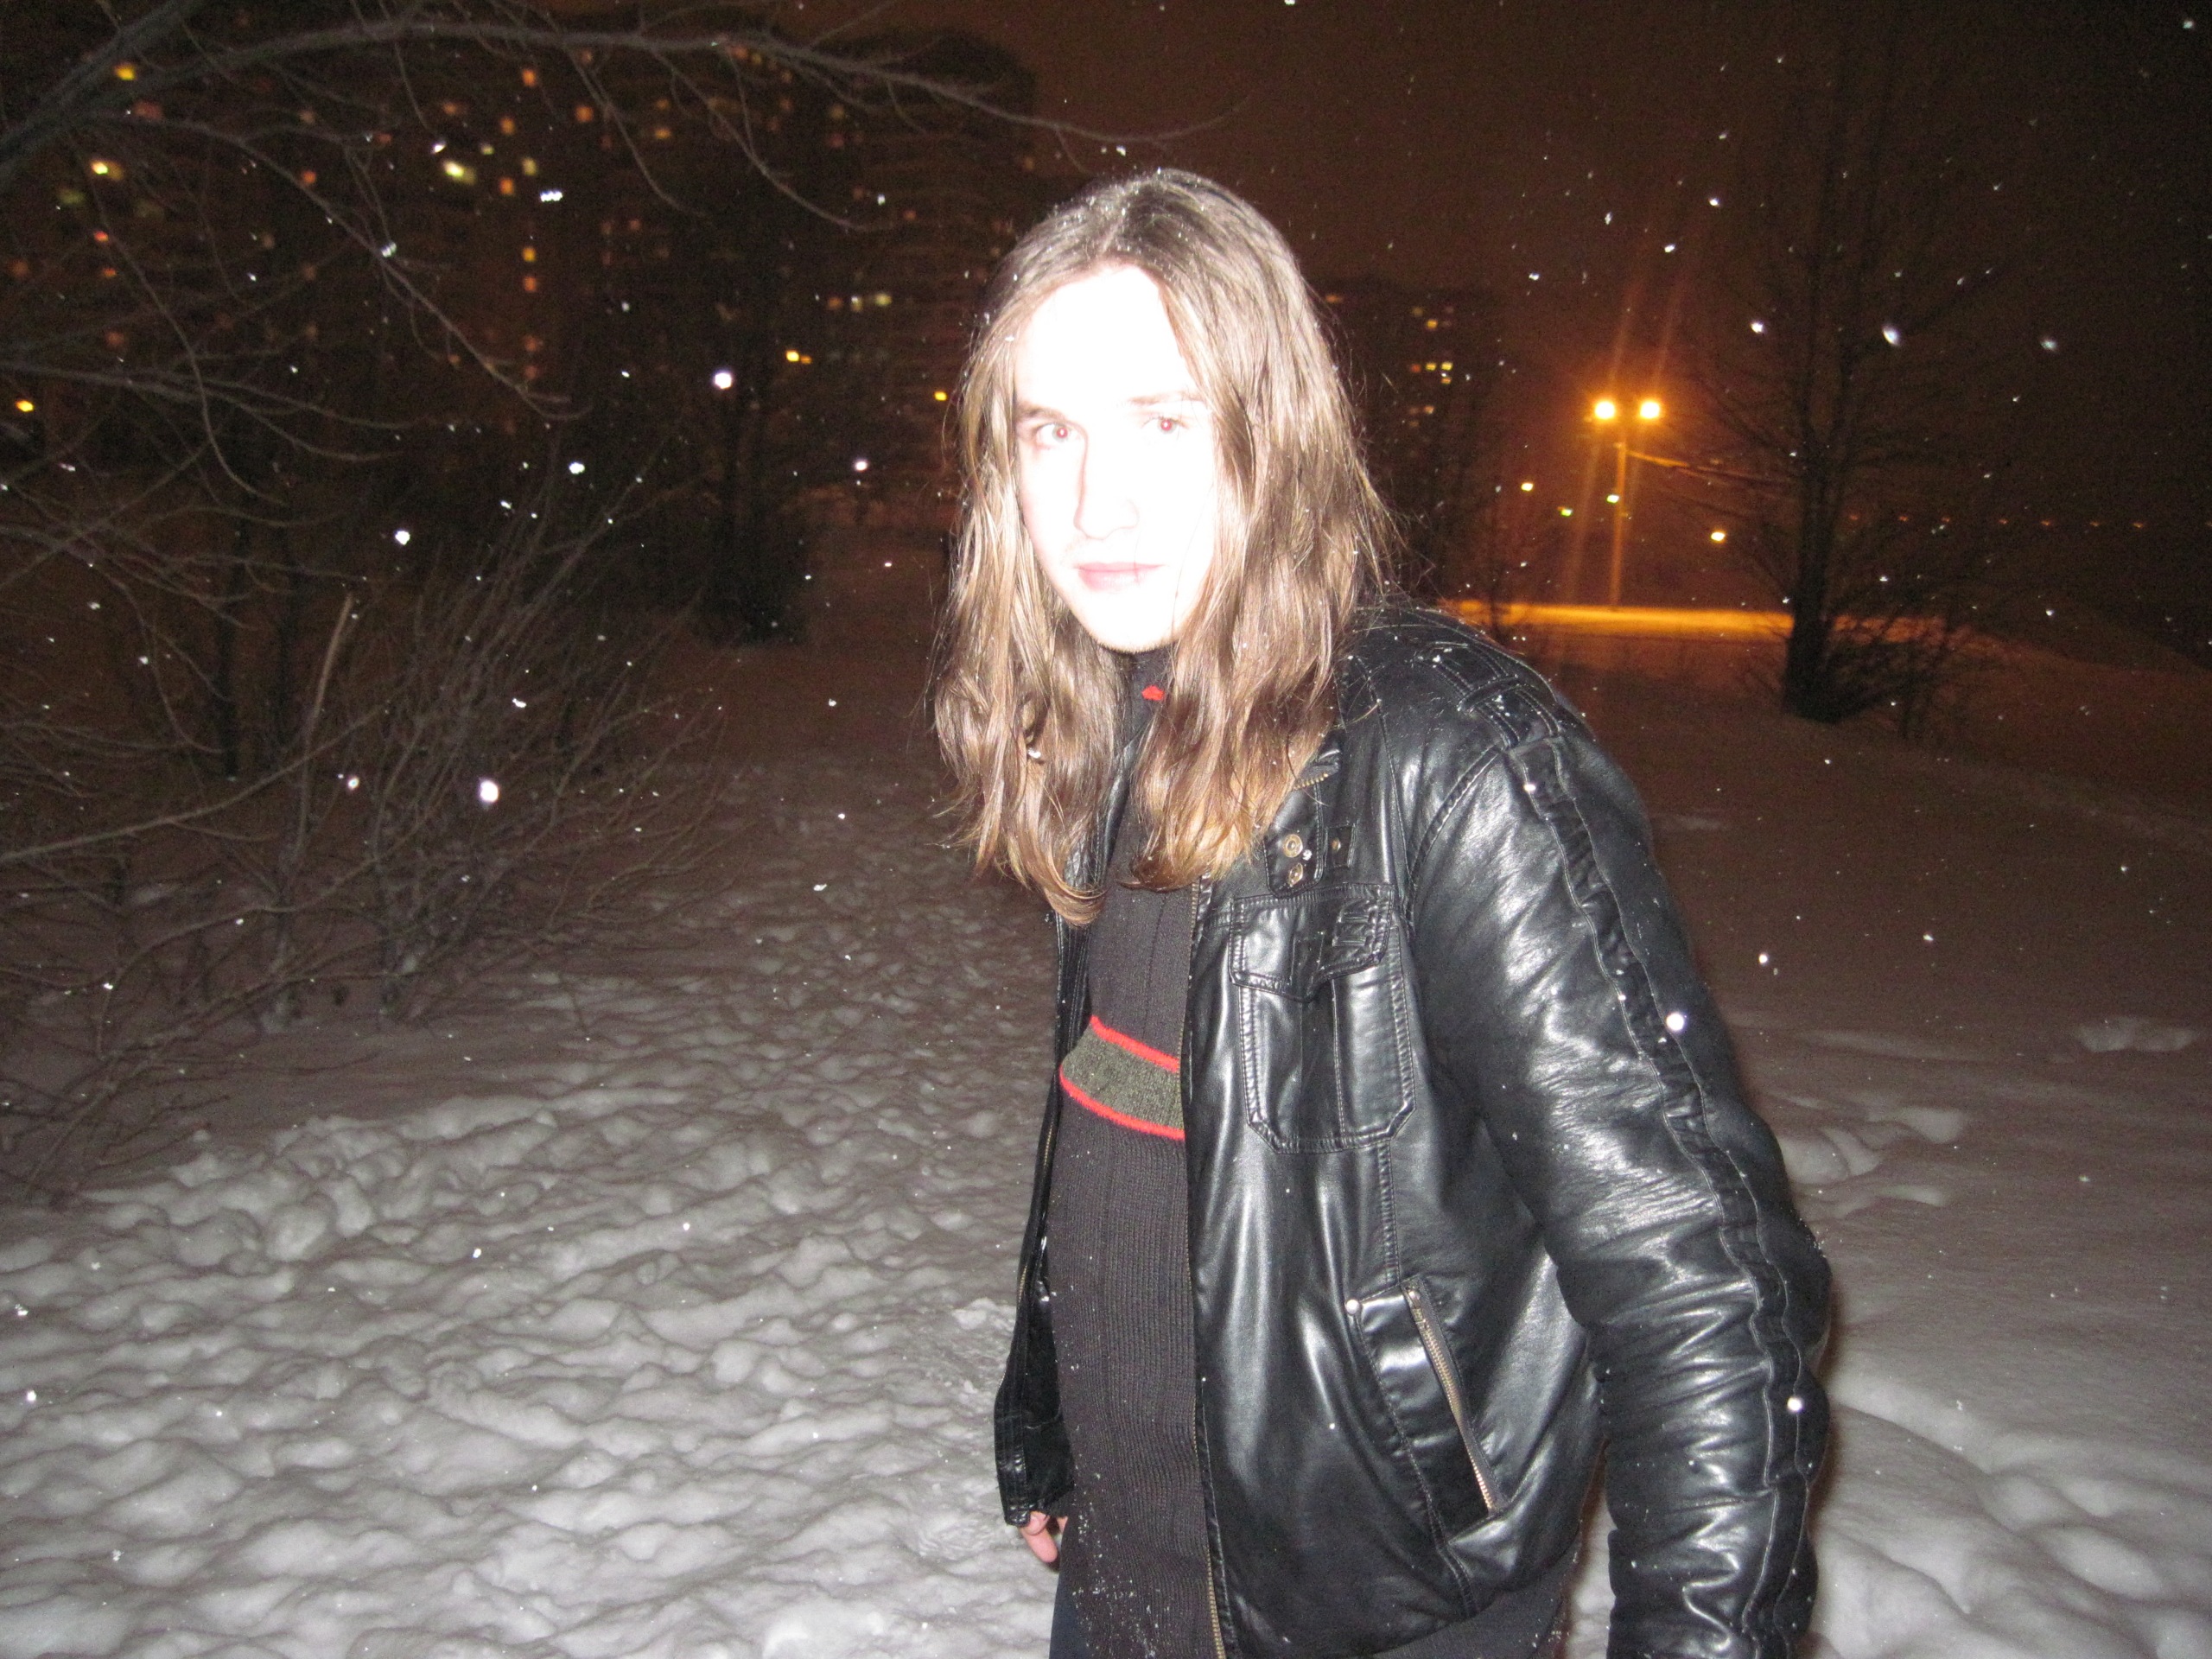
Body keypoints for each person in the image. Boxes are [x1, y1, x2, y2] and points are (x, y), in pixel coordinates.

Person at [931, 170, 1829, 1659]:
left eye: (1165, 421)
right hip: (1127, 1590)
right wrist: (1056, 1423)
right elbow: (1123, 1126)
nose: (1098, 503)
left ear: (1271, 433)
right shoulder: (1112, 719)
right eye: (1052, 433)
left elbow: (1706, 1291)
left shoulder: (1451, 758)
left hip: (1378, 1620)